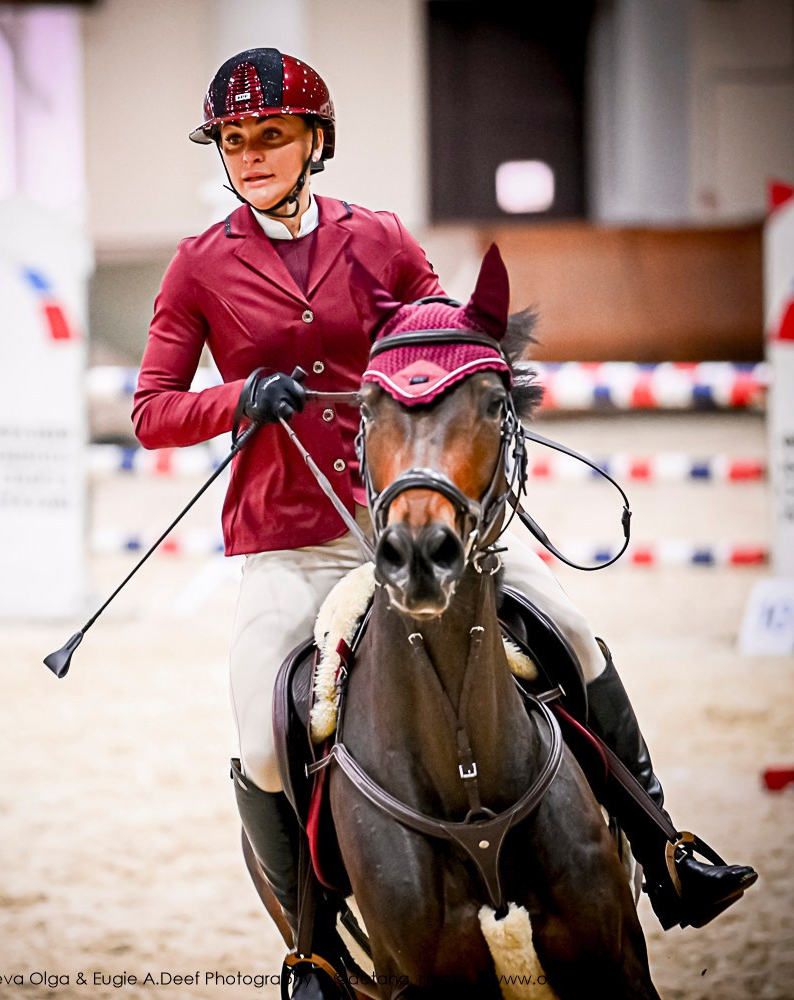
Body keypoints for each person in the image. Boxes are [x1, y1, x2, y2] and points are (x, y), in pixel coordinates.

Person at [132, 47, 756, 997]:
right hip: (296, 544)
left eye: (271, 135)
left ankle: (666, 850)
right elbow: (150, 410)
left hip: (419, 516)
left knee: (572, 631)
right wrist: (239, 398)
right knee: (262, 733)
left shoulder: (379, 239)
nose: (250, 155)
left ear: (314, 142)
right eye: (235, 139)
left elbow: (453, 343)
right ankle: (312, 946)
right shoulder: (199, 266)